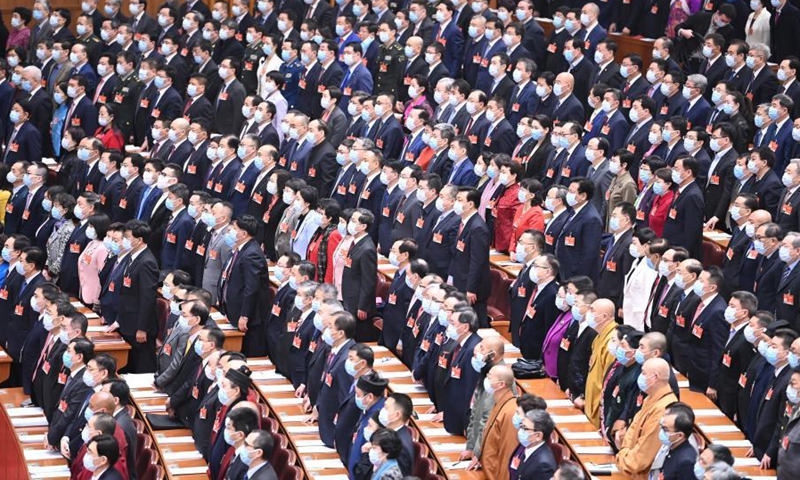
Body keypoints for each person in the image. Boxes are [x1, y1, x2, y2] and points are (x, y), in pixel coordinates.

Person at [107, 220, 158, 373]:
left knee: (141, 367)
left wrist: (142, 328)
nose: (124, 241)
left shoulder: (147, 262)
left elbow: (147, 298)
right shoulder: (132, 257)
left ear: (139, 240)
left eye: (127, 237)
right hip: (127, 320)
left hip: (138, 325)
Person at [615, 358, 679, 479]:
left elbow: (642, 457)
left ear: (655, 377)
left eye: (643, 373)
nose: (640, 376)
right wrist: (625, 451)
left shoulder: (664, 409)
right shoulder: (650, 398)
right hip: (629, 462)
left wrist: (622, 456)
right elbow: (632, 429)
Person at [448, 187, 491, 326]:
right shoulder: (464, 223)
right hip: (460, 278)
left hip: (472, 287)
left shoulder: (477, 227)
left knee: (474, 321)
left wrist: (471, 289)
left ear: (471, 204)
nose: (456, 203)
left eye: (460, 200)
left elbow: (477, 261)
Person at [468, 365, 518, 480]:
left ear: (501, 384)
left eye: (490, 377)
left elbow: (507, 454)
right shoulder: (499, 403)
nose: (486, 379)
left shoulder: (510, 411)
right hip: (488, 470)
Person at [648, 402, 697, 479]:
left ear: (680, 435)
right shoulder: (671, 446)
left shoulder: (686, 462)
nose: (661, 431)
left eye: (665, 429)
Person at [509, 409, 557, 480]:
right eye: (521, 425)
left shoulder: (543, 466)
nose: (520, 430)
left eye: (524, 428)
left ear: (538, 436)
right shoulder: (527, 446)